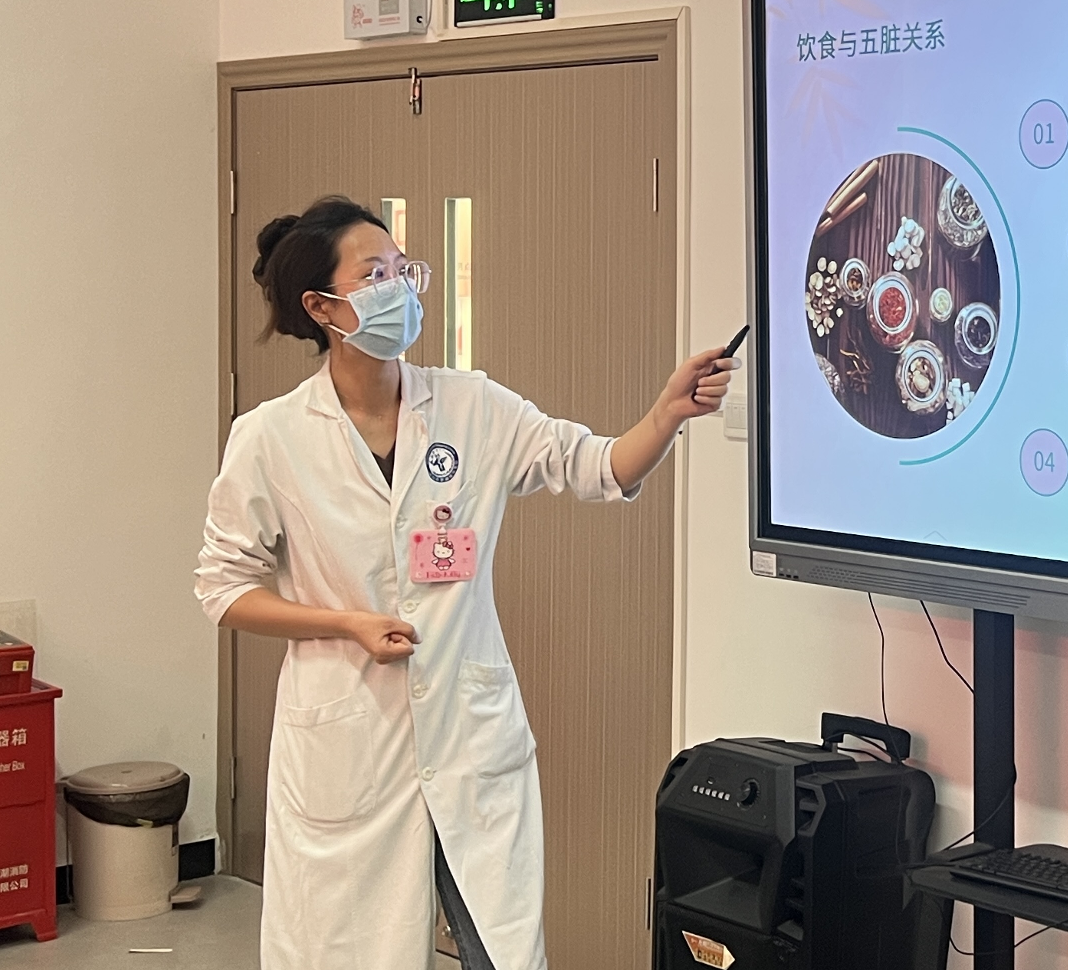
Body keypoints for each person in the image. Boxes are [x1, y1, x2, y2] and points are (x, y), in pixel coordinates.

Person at [194, 196, 732, 970]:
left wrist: (666, 414)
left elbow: (595, 466)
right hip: (349, 741)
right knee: (347, 952)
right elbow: (224, 590)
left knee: (499, 951)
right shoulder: (270, 438)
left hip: (470, 734)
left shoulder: (471, 405)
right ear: (321, 307)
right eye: (374, 274)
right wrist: (345, 623)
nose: (400, 288)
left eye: (402, 269)